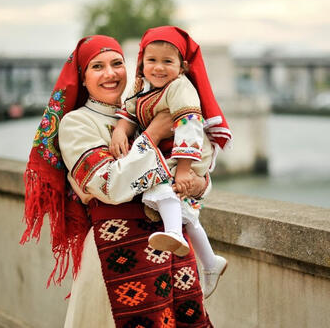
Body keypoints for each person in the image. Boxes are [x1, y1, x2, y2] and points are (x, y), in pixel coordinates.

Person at [21, 35, 214, 327]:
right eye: (97, 66)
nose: (110, 74)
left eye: (116, 64)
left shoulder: (141, 109)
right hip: (115, 258)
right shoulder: (77, 123)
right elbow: (111, 186)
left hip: (168, 258)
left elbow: (189, 168)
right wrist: (155, 133)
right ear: (82, 78)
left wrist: (199, 184)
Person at [111, 26, 230, 298]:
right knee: (185, 209)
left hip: (189, 155)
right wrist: (119, 130)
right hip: (171, 155)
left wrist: (185, 171)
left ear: (183, 66)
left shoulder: (179, 87)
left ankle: (174, 233)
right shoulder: (144, 90)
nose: (159, 68)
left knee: (156, 185)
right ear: (142, 63)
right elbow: (128, 115)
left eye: (168, 61)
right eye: (152, 60)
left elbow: (190, 125)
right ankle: (210, 262)